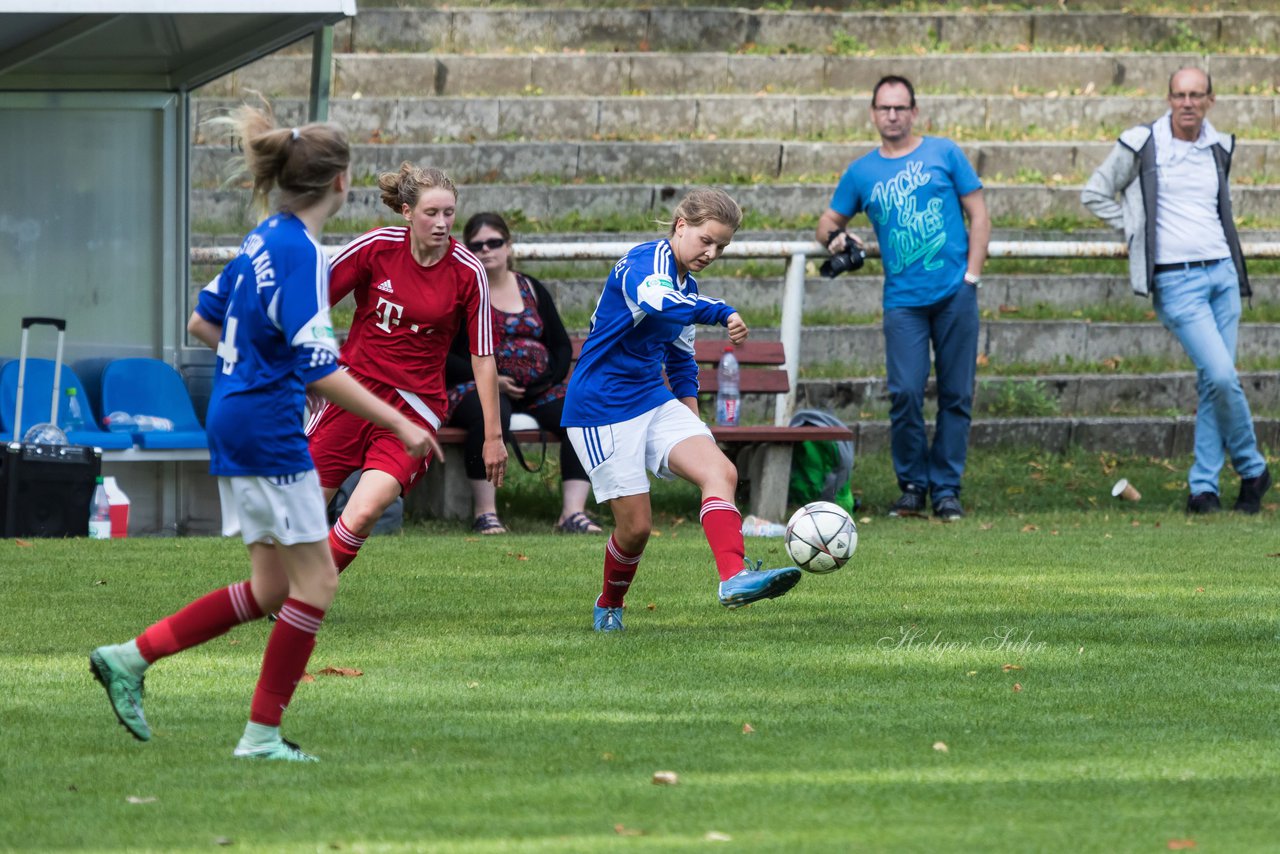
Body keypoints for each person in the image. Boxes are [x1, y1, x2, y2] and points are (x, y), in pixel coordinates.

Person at [89, 107, 436, 761]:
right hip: (268, 427)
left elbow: (202, 319)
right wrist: (397, 421)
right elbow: (316, 365)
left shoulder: (261, 238)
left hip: (233, 417)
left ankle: (130, 658)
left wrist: (256, 366)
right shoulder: (301, 253)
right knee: (318, 584)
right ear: (342, 182)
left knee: (273, 588)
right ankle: (260, 736)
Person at [562, 188, 802, 632]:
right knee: (635, 529)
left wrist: (692, 421)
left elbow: (680, 360)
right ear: (681, 226)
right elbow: (658, 301)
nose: (712, 253)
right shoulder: (644, 264)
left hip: (652, 397)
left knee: (721, 472)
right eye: (706, 240)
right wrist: (720, 310)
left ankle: (733, 577)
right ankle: (609, 603)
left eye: (722, 247)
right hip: (601, 406)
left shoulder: (687, 287)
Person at [1082, 67, 1271, 514]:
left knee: (1212, 383)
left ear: (1210, 99)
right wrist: (1136, 230)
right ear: (1169, 99)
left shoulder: (1218, 147)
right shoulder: (1142, 143)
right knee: (1223, 376)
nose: (1188, 102)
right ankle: (1253, 467)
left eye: (1196, 95)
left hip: (1222, 274)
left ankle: (1203, 489)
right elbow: (1095, 193)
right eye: (1180, 95)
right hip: (1176, 280)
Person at [307, 164, 507, 570]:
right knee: (302, 509)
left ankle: (307, 592)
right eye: (431, 213)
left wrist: (493, 435)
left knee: (364, 511)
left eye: (449, 213)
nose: (442, 223)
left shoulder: (468, 272)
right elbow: (309, 302)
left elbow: (482, 355)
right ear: (406, 212)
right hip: (353, 393)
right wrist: (308, 368)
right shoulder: (375, 247)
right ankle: (285, 584)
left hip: (414, 408)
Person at [816, 74, 989, 522]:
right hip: (903, 300)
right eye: (884, 108)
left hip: (955, 292)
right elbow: (826, 222)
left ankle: (947, 488)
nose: (892, 115)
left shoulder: (945, 152)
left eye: (900, 107)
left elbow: (979, 214)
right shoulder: (861, 172)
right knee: (906, 393)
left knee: (956, 394)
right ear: (873, 113)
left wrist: (971, 276)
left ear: (914, 111)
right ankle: (913, 486)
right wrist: (836, 239)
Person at [445, 212, 602, 535]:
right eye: (477, 245)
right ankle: (485, 512)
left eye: (494, 242)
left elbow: (560, 346)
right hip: (475, 387)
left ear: (508, 245)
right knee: (491, 413)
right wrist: (491, 381)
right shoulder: (461, 293)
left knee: (581, 411)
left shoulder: (531, 288)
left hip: (537, 390)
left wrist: (546, 380)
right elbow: (445, 355)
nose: (486, 250)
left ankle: (572, 513)